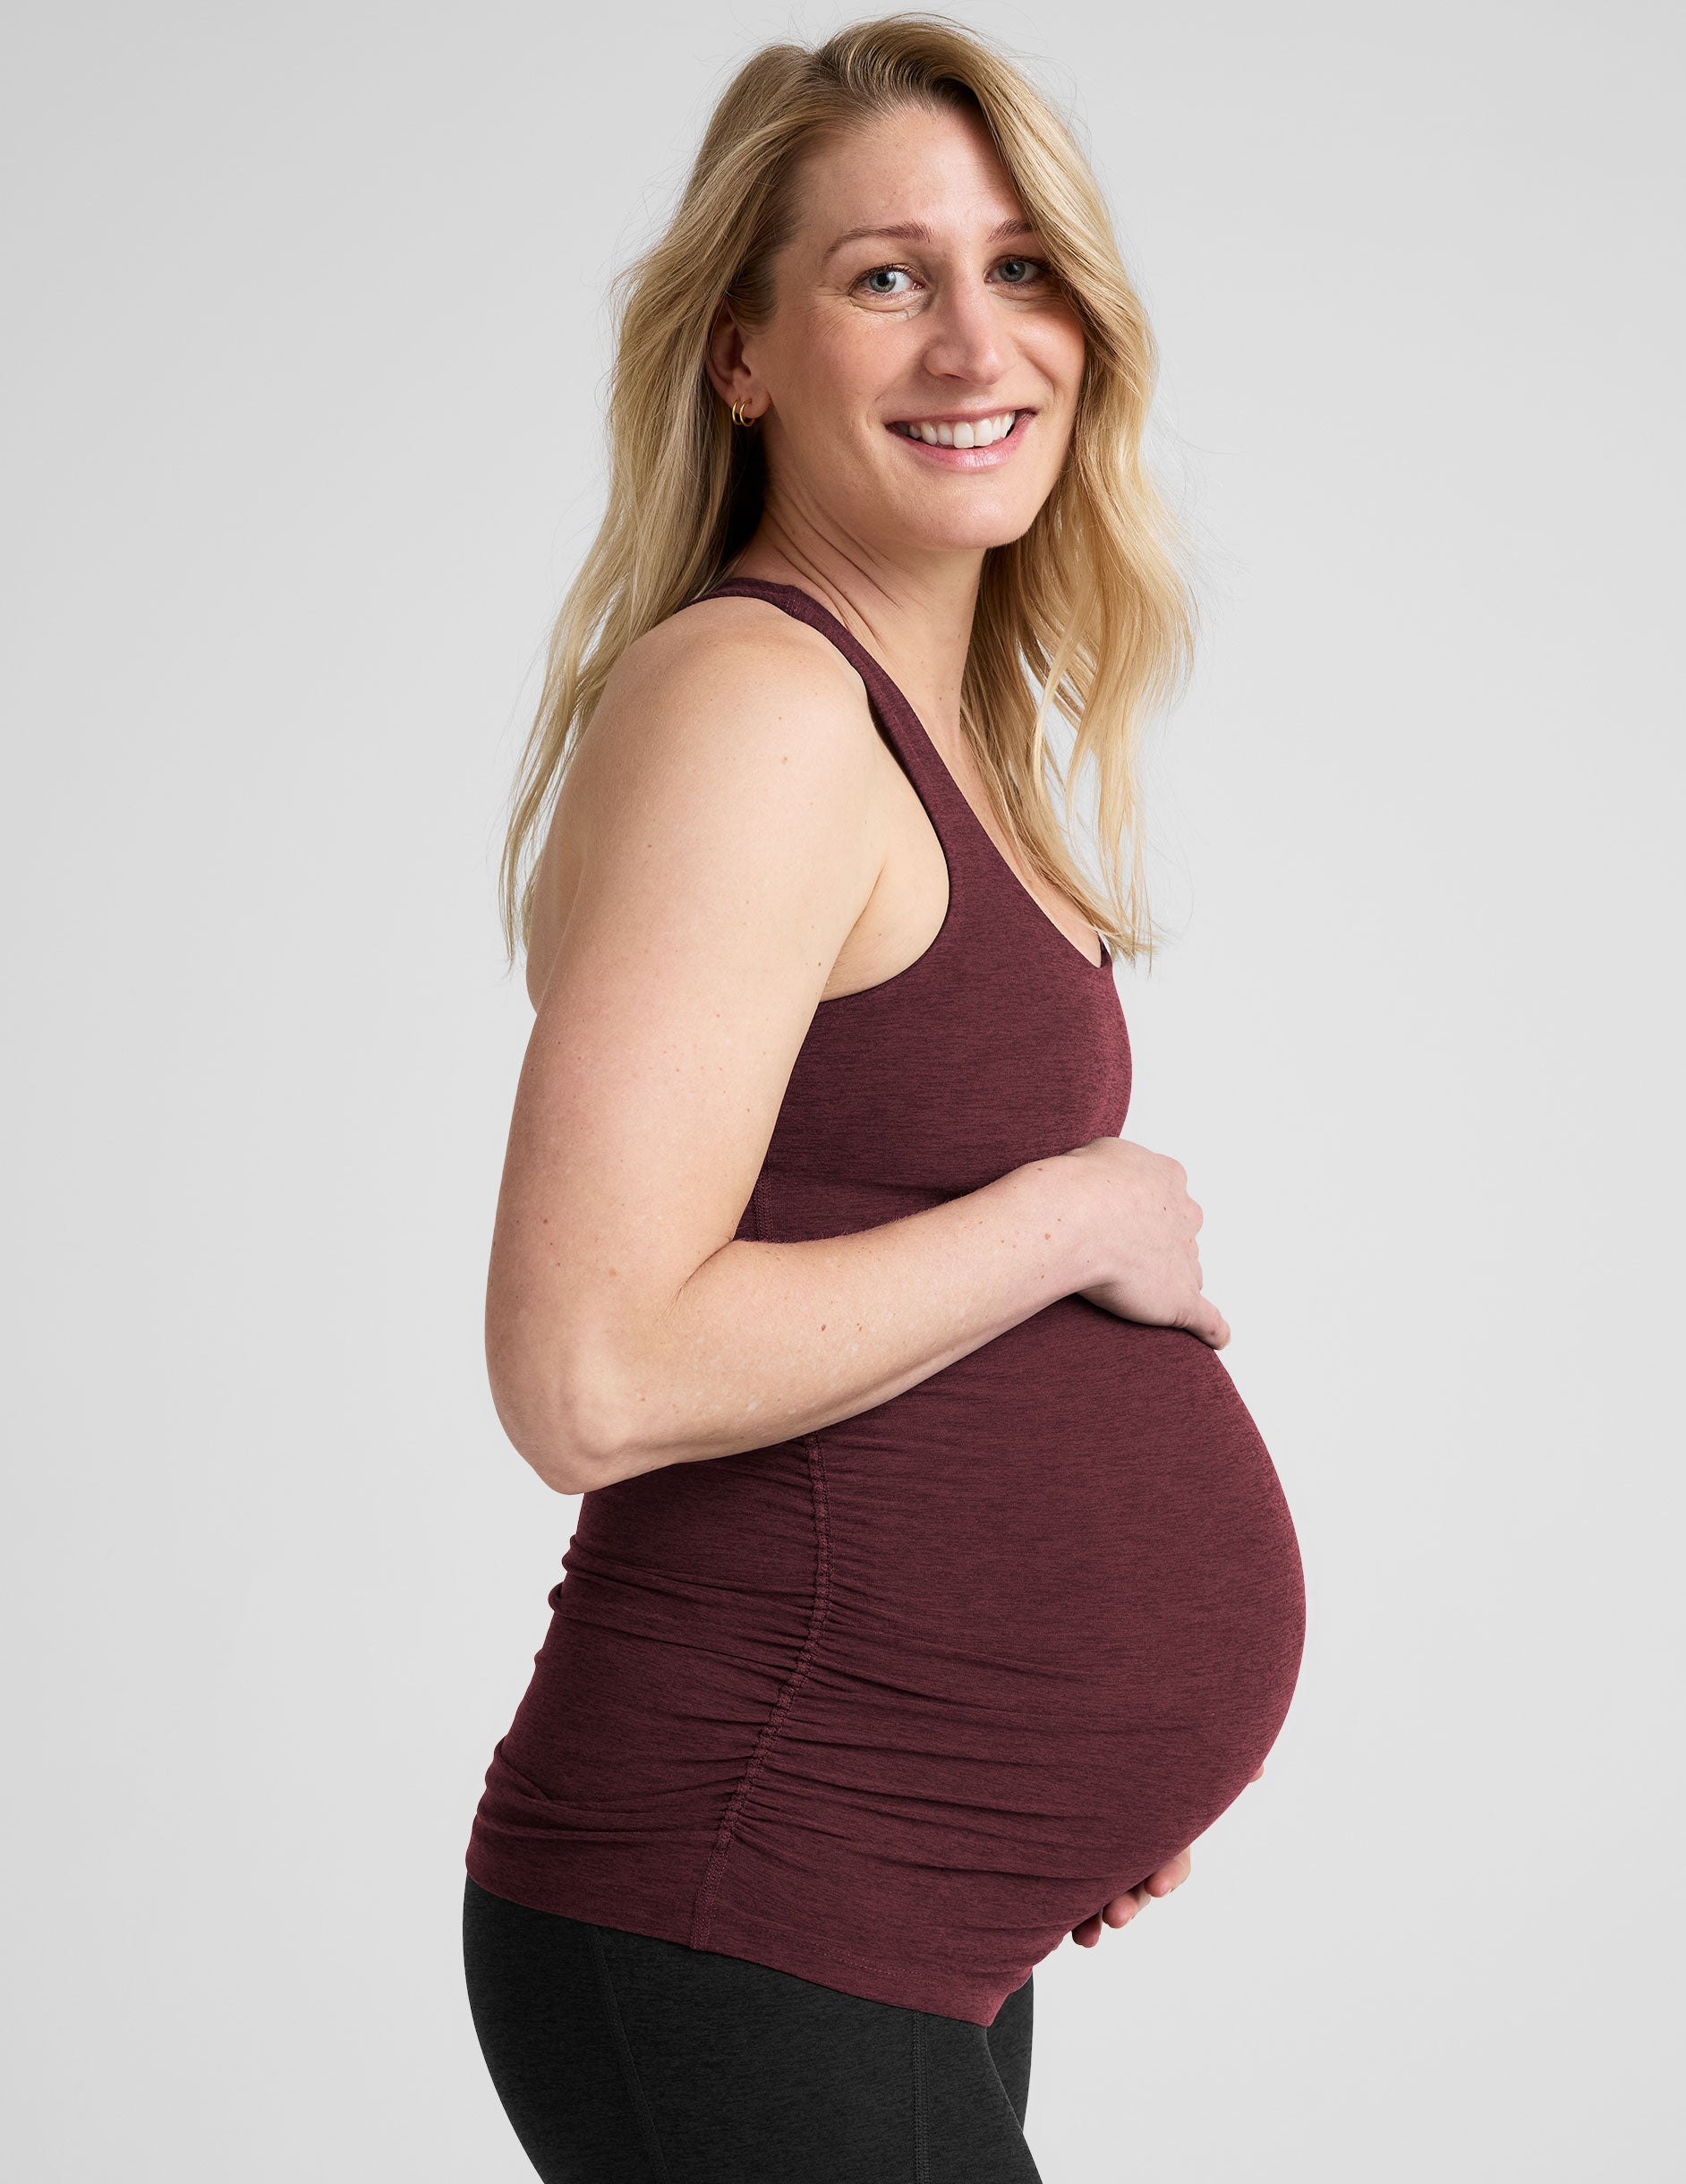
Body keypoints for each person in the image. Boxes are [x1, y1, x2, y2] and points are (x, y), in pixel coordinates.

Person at [461, 16, 1305, 2180]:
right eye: (886, 277)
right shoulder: (758, 697)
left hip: (890, 1883)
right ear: (740, 351)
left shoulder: (939, 728)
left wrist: (1067, 1756)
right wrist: (1077, 1209)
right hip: (750, 1872)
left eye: (1023, 267)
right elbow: (589, 1367)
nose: (974, 340)